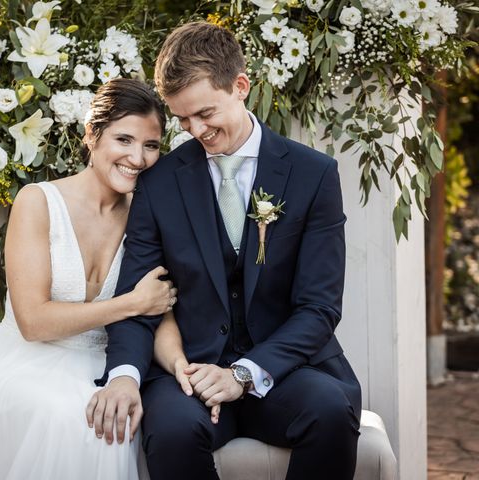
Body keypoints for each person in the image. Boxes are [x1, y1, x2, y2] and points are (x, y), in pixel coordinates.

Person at [87, 22, 362, 480]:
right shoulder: (158, 184)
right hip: (188, 375)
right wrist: (123, 376)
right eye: (182, 120)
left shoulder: (314, 174)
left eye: (205, 114)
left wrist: (243, 375)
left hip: (285, 371)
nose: (196, 130)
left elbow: (319, 307)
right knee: (171, 431)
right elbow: (138, 300)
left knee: (330, 409)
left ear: (240, 87)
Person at [0, 78, 182, 480]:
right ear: (91, 135)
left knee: (114, 423)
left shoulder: (150, 213)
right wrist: (130, 303)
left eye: (151, 145)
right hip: (30, 359)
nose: (137, 158)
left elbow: (161, 304)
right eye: (124, 140)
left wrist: (180, 365)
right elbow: (33, 322)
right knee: (69, 418)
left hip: (105, 362)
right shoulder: (38, 201)